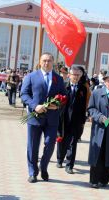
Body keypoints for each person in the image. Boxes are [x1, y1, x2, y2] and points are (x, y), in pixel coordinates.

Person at [21, 52, 66, 183]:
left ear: (53, 63)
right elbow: (24, 94)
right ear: (40, 62)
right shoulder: (31, 76)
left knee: (50, 143)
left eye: (49, 61)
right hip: (35, 117)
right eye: (44, 61)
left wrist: (57, 105)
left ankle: (44, 166)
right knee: (32, 146)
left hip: (52, 119)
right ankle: (33, 172)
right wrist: (35, 106)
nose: (47, 63)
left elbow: (64, 96)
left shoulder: (59, 79)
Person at [56, 66, 87, 174]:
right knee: (61, 140)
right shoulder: (63, 86)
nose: (76, 77)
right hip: (63, 119)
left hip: (76, 120)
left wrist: (83, 120)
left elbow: (84, 105)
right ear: (69, 75)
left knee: (73, 143)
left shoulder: (83, 88)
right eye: (74, 74)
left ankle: (69, 165)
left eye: (78, 75)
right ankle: (60, 159)